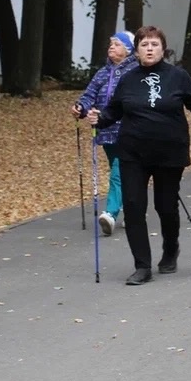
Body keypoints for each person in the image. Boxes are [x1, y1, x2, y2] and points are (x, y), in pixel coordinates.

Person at [86, 26, 191, 286]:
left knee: (165, 206)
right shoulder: (128, 79)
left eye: (154, 44)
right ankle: (142, 265)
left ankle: (170, 249)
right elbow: (113, 112)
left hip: (169, 151)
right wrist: (99, 118)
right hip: (133, 152)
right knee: (133, 206)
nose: (150, 48)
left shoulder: (178, 76)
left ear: (163, 49)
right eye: (144, 45)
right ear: (137, 51)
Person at [72, 31, 137, 236]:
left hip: (129, 129)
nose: (111, 47)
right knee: (119, 169)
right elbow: (89, 95)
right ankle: (132, 208)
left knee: (119, 169)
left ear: (128, 50)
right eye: (110, 44)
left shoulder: (135, 71)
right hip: (106, 129)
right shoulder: (102, 73)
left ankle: (110, 213)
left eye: (117, 44)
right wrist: (80, 108)